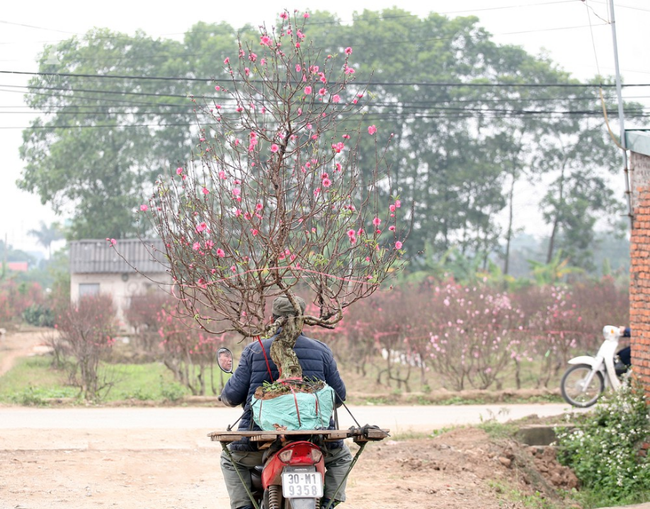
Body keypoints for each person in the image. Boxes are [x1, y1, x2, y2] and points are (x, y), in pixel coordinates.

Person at [219, 296, 352, 509]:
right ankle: (327, 503)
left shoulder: (255, 349)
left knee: (230, 460)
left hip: (258, 442)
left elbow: (232, 396)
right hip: (316, 439)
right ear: (302, 320)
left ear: (273, 319)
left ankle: (245, 506)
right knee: (342, 457)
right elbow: (338, 397)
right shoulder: (321, 350)